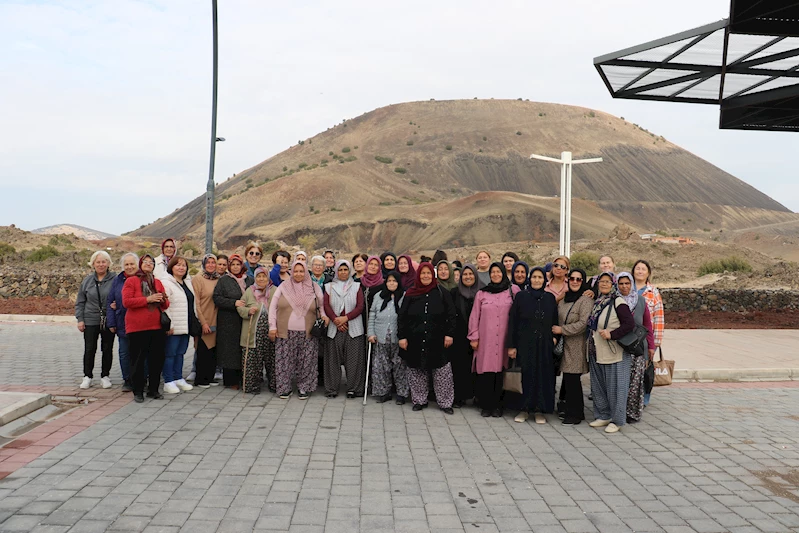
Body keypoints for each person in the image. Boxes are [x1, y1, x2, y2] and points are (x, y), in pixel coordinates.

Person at [398, 262, 457, 414]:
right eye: (423, 273)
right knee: (417, 371)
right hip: (415, 338)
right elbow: (402, 317)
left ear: (433, 275)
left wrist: (449, 334)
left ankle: (445, 403)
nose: (425, 276)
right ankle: (419, 400)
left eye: (428, 273)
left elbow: (451, 315)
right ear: (419, 275)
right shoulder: (411, 293)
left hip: (437, 338)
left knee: (442, 372)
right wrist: (402, 337)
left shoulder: (442, 292)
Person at [268, 260, 328, 399]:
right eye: (295, 271)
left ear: (306, 272)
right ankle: (284, 388)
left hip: (308, 333)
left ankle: (304, 388)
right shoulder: (284, 286)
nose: (298, 274)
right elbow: (273, 307)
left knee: (306, 361)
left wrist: (324, 317)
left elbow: (321, 307)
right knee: (284, 362)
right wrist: (272, 326)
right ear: (291, 271)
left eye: (301, 271)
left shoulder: (314, 288)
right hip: (285, 332)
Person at [507, 266, 558, 424]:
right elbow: (513, 321)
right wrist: (511, 346)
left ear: (544, 280)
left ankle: (539, 410)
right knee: (526, 376)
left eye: (540, 278)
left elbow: (555, 320)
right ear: (530, 279)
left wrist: (554, 338)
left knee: (543, 377)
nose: (537, 280)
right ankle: (524, 409)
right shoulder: (522, 296)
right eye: (534, 277)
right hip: (525, 344)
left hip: (544, 345)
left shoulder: (549, 298)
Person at [469, 262, 520, 417]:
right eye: (493, 272)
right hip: (486, 341)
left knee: (501, 373)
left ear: (504, 273)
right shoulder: (482, 294)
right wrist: (474, 337)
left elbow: (519, 314)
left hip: (505, 340)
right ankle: (486, 405)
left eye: (499, 272)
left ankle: (498, 406)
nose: (496, 275)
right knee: (486, 372)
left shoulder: (513, 290)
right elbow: (474, 316)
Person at [586, 272, 635, 434]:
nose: (604, 284)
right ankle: (603, 415)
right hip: (597, 350)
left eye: (608, 281)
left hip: (614, 352)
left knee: (616, 387)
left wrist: (612, 334)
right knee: (599, 386)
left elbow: (629, 324)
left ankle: (617, 420)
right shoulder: (598, 302)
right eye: (602, 281)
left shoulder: (618, 302)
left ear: (613, 284)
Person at [122, 254, 169, 403]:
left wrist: (164, 299)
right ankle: (138, 391)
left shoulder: (157, 282)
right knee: (138, 360)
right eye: (145, 262)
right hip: (137, 328)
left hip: (156, 327)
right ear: (140, 264)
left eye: (151, 262)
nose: (148, 264)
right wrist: (147, 299)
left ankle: (153, 390)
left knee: (156, 359)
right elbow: (127, 302)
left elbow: (165, 305)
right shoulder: (131, 281)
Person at [552, 268, 592, 425]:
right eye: (572, 279)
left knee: (572, 380)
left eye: (579, 279)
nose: (575, 281)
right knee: (568, 380)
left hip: (576, 346)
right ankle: (573, 410)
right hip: (563, 346)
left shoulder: (586, 300)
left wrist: (563, 330)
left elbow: (583, 324)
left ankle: (575, 414)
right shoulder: (563, 299)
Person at [323, 260, 366, 398]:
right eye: (340, 270)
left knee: (354, 360)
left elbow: (360, 306)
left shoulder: (357, 286)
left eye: (345, 270)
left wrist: (345, 318)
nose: (343, 272)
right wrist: (336, 320)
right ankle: (332, 389)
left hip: (353, 328)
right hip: (334, 328)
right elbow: (326, 305)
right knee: (332, 360)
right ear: (336, 271)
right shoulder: (329, 287)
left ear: (349, 271)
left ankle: (353, 388)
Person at [617, 272, 654, 423]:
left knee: (635, 382)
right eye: (621, 283)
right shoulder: (614, 300)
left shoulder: (640, 301)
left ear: (631, 284)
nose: (624, 286)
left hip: (638, 347)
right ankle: (618, 411)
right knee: (621, 381)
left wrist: (651, 347)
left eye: (627, 283)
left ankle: (631, 413)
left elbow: (647, 325)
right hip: (619, 346)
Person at [76, 251, 116, 389]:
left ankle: (105, 376)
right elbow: (80, 301)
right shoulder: (87, 281)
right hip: (90, 319)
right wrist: (80, 319)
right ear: (93, 264)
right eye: (98, 262)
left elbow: (120, 296)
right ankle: (87, 376)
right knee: (89, 349)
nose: (101, 264)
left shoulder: (114, 279)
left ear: (109, 263)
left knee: (107, 348)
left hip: (108, 319)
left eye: (104, 261)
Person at [367, 271, 408, 404]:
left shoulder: (404, 296)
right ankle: (383, 392)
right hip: (380, 336)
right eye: (389, 281)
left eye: (394, 281)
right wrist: (371, 333)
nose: (391, 283)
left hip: (398, 338)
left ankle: (402, 393)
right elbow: (372, 314)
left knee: (399, 366)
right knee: (381, 366)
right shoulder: (379, 296)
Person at [213, 254, 252, 389]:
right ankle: (230, 381)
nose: (236, 267)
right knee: (229, 351)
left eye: (238, 264)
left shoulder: (249, 281)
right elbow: (217, 298)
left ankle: (244, 378)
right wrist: (233, 303)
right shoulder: (224, 280)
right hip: (228, 320)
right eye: (233, 264)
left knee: (242, 349)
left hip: (245, 320)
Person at [160, 256, 196, 394]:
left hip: (185, 324)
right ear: (171, 267)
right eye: (178, 265)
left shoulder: (187, 282)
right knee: (170, 353)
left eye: (184, 265)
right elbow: (165, 306)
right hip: (173, 326)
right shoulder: (166, 283)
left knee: (180, 353)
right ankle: (168, 381)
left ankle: (178, 378)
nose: (181, 268)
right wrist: (170, 325)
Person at [238, 266, 276, 394]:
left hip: (271, 331)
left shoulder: (274, 291)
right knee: (253, 359)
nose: (261, 279)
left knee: (272, 358)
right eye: (259, 276)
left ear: (268, 277)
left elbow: (281, 308)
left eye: (264, 276)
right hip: (253, 332)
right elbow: (240, 307)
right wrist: (248, 311)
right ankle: (252, 385)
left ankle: (274, 384)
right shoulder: (249, 291)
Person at [633, 259, 664, 407]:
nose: (640, 271)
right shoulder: (626, 288)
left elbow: (658, 316)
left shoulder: (653, 292)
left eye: (643, 269)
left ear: (648, 273)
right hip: (629, 336)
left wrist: (656, 342)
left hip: (646, 338)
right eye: (637, 268)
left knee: (646, 369)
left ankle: (644, 397)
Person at [450, 264, 480, 407]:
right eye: (465, 275)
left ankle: (477, 395)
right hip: (459, 336)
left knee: (477, 367)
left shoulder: (482, 292)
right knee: (460, 367)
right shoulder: (454, 292)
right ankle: (459, 396)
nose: (468, 277)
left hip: (479, 335)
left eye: (471, 274)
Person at [107, 252, 138, 392]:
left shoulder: (143, 279)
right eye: (126, 264)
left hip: (140, 323)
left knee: (139, 352)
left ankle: (141, 378)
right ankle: (127, 380)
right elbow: (110, 302)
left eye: (132, 264)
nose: (129, 267)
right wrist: (112, 323)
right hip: (122, 322)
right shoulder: (117, 280)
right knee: (124, 353)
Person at [192, 254, 220, 388]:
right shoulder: (198, 279)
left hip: (216, 319)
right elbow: (196, 303)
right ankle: (200, 378)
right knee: (203, 350)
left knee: (213, 350)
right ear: (203, 264)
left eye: (213, 262)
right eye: (208, 262)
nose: (211, 265)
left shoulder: (218, 279)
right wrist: (203, 322)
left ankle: (210, 376)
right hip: (204, 318)